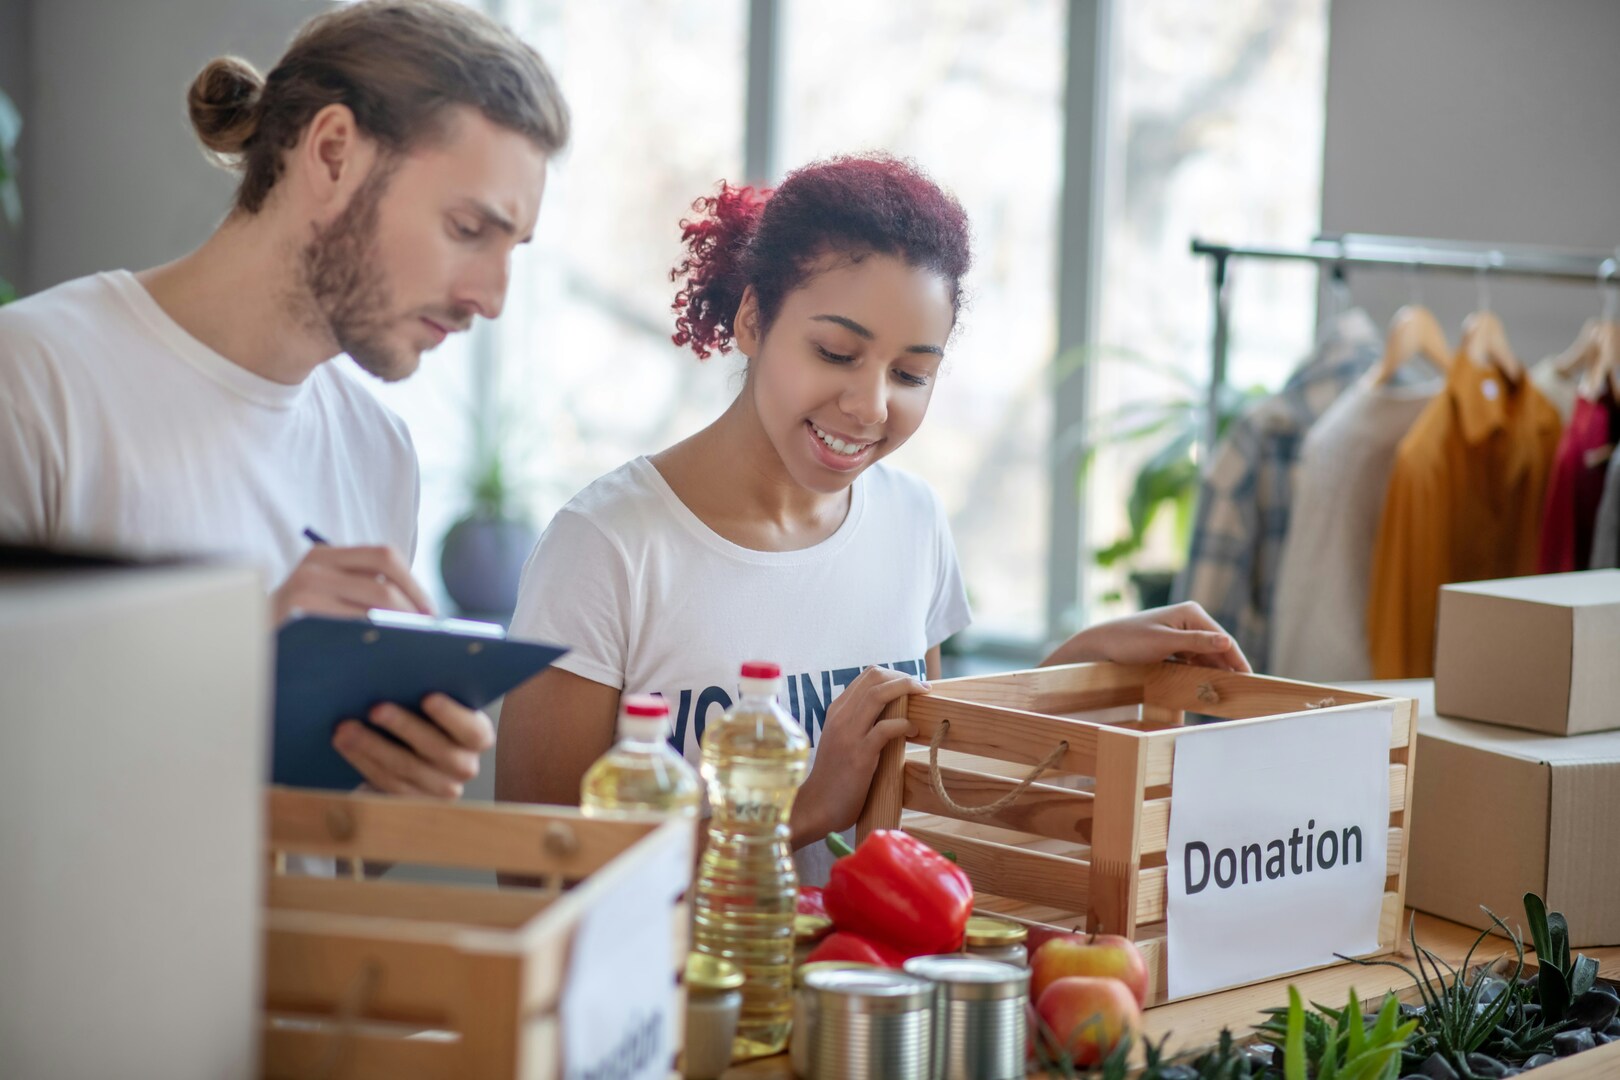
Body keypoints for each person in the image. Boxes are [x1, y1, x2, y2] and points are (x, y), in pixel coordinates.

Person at [495, 155, 1247, 882]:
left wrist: (1077, 673)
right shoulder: (605, 546)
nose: (871, 407)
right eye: (835, 352)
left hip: (865, 998)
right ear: (753, 319)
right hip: (679, 1004)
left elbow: (926, 798)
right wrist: (805, 805)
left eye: (912, 374)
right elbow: (535, 870)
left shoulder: (912, 524)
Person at [0, 0, 569, 801]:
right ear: (334, 154)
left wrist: (392, 792)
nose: (492, 297)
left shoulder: (380, 454)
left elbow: (334, 855)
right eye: (469, 227)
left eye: (514, 249)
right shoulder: (31, 382)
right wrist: (236, 661)